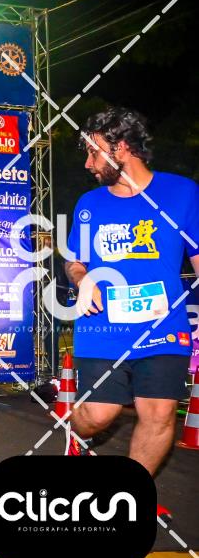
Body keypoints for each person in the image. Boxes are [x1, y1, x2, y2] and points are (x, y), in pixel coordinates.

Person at [64, 107, 199, 521]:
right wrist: (82, 277)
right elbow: (74, 262)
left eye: (93, 152)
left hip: (164, 326)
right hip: (103, 326)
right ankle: (75, 433)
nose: (88, 164)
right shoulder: (89, 204)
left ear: (121, 147)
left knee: (159, 414)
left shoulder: (182, 193)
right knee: (97, 416)